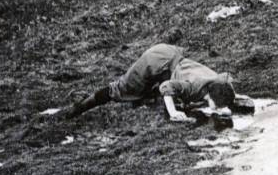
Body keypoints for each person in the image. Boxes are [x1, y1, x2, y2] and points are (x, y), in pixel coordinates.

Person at [66, 43, 236, 122]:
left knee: (147, 94)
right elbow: (166, 87)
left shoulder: (218, 80)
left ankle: (144, 98)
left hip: (171, 55)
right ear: (210, 95)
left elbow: (228, 82)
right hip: (156, 60)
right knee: (120, 89)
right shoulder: (192, 86)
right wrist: (173, 113)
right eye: (217, 105)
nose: (218, 109)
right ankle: (79, 108)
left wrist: (236, 98)